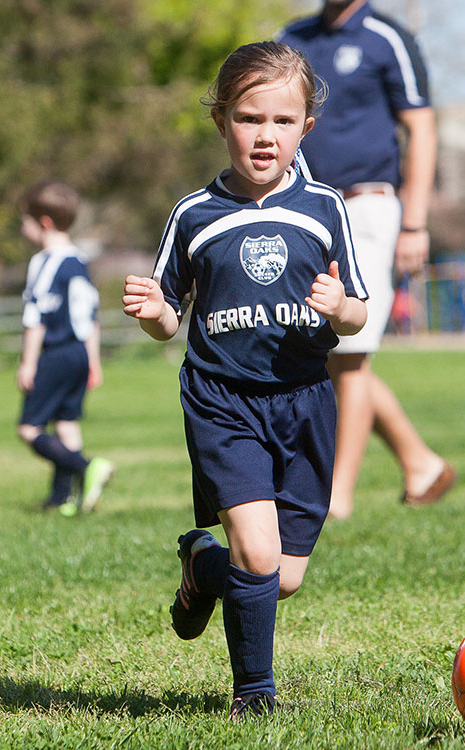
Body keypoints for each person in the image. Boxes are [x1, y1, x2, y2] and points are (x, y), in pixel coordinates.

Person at [122, 41, 367, 719]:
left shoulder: (324, 208)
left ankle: (203, 567)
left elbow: (358, 314)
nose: (265, 136)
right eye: (249, 118)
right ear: (221, 120)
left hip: (306, 401)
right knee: (257, 555)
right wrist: (153, 314)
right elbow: (170, 320)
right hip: (222, 401)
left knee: (280, 577)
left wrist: (338, 306)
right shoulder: (193, 215)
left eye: (282, 122)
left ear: (305, 129)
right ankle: (253, 696)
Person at [280, 0, 454, 518]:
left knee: (350, 351)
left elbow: (421, 127)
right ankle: (419, 462)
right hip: (305, 207)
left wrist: (415, 221)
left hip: (367, 206)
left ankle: (336, 500)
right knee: (321, 351)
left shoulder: (387, 38)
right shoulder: (293, 36)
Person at [14, 180, 112, 516]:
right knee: (66, 423)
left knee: (28, 429)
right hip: (80, 354)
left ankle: (88, 468)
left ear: (43, 222)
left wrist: (28, 363)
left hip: (56, 354)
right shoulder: (79, 261)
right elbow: (91, 315)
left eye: (24, 222)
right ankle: (63, 499)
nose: (22, 229)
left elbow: (36, 315)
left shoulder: (45, 262)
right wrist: (94, 361)